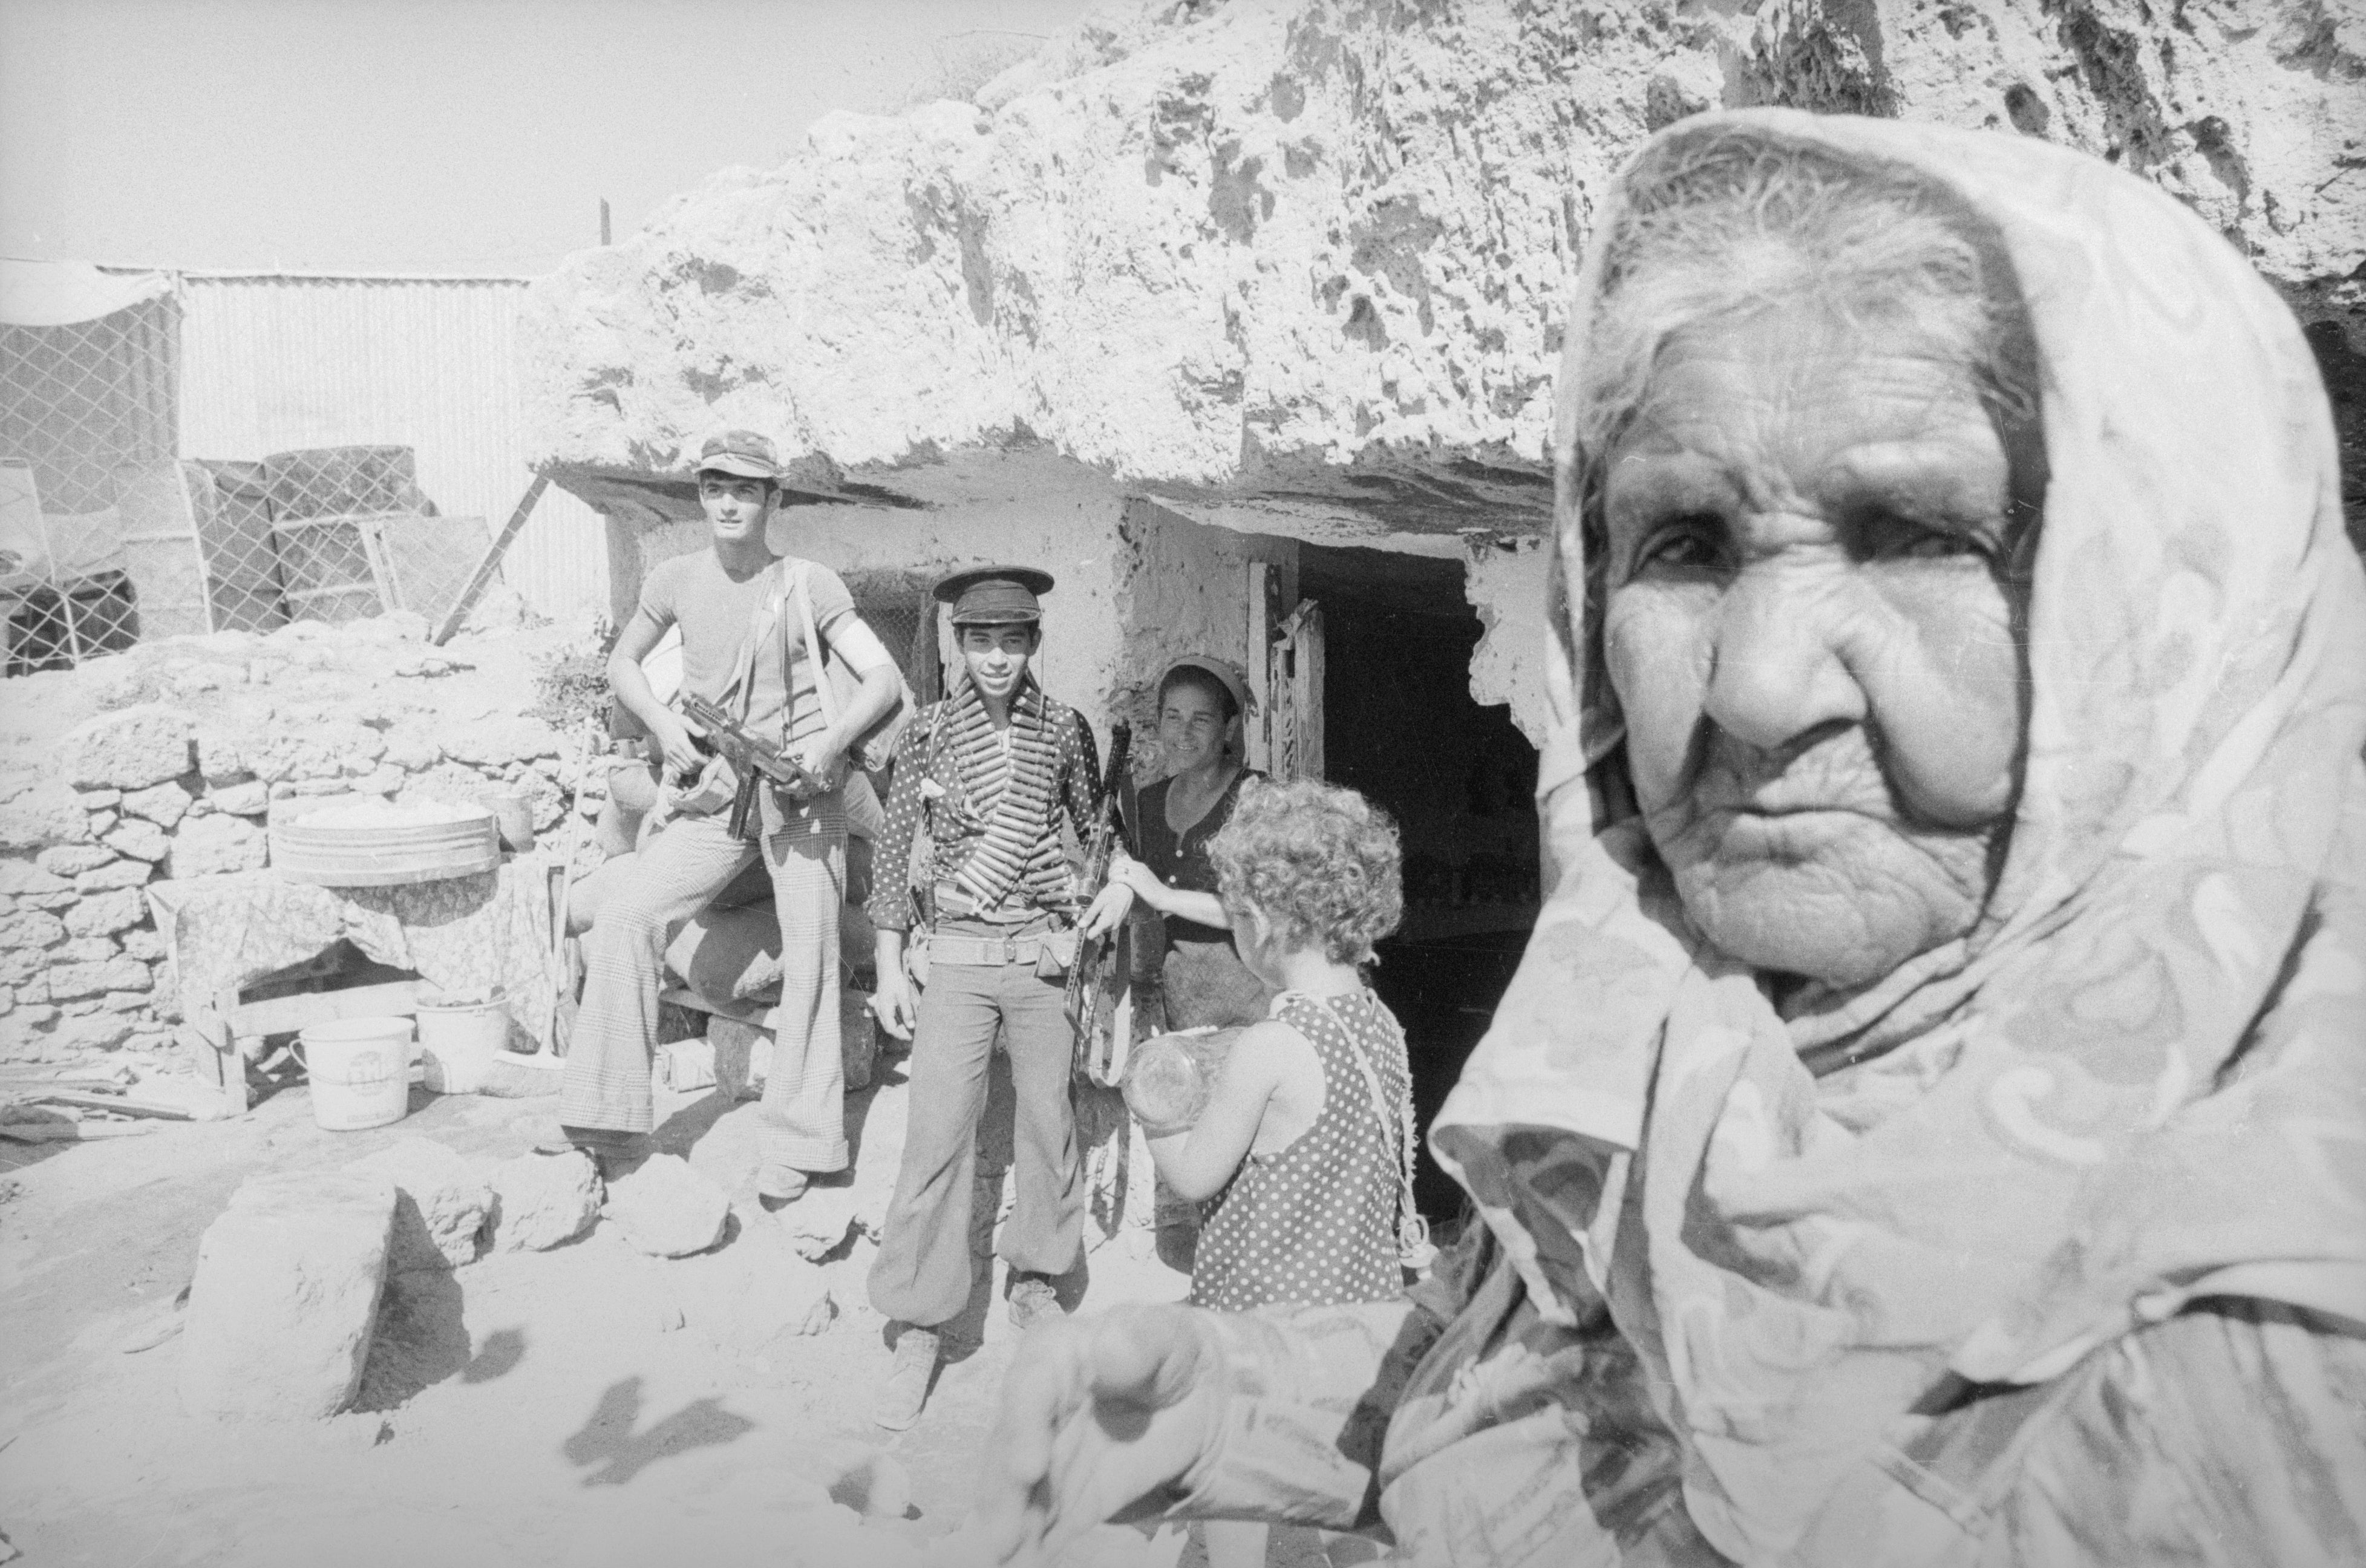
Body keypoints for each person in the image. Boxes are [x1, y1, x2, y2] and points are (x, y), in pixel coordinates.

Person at [976, 109, 2366, 1567]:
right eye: (1684, 547)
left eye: (1915, 536)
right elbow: (1581, 1381)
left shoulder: (2278, 1342)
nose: (1756, 683)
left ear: (2177, 617)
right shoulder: (1687, 1052)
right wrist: (1226, 1402)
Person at [548, 429, 901, 1207]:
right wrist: (664, 727)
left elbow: (882, 680)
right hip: (721, 792)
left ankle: (805, 1144)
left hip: (803, 794)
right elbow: (622, 662)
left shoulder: (807, 583)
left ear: (774, 500)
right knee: (629, 915)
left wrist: (830, 745)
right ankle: (604, 1119)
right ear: (702, 496)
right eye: (715, 488)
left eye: (747, 490)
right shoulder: (676, 578)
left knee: (811, 959)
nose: (729, 503)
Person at [1132, 777, 1417, 1568]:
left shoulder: (1269, 1047)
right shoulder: (1379, 1025)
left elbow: (1192, 1176)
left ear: (1270, 923)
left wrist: (1149, 1094)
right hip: (1356, 1331)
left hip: (1262, 1341)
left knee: (1234, 1530)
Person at [864, 565, 1105, 1432]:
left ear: (1033, 643)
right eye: (979, 641)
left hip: (1040, 957)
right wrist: (891, 967)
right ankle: (921, 1322)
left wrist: (1086, 908)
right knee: (935, 1135)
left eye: (1012, 641)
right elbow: (894, 855)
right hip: (957, 959)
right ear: (955, 645)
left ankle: (1037, 1282)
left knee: (1049, 1124)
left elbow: (1094, 834)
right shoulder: (927, 734)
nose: (996, 658)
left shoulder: (1065, 731)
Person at [1082, 657, 1273, 1032]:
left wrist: (1162, 897)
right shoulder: (1149, 801)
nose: (1184, 733)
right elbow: (1151, 903)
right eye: (1173, 717)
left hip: (1252, 1006)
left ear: (1229, 727)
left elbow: (1263, 915)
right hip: (1180, 1008)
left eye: (1201, 719)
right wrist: (1121, 891)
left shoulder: (1257, 796)